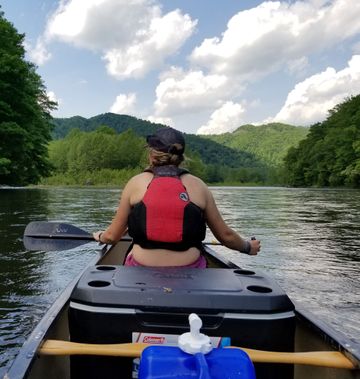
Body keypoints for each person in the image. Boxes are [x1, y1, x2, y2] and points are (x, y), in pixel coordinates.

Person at [93, 127, 261, 268]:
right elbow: (226, 236)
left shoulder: (135, 183)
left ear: (151, 154)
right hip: (191, 269)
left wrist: (100, 235)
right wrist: (247, 247)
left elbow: (112, 237)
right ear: (181, 157)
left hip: (140, 267)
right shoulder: (199, 186)